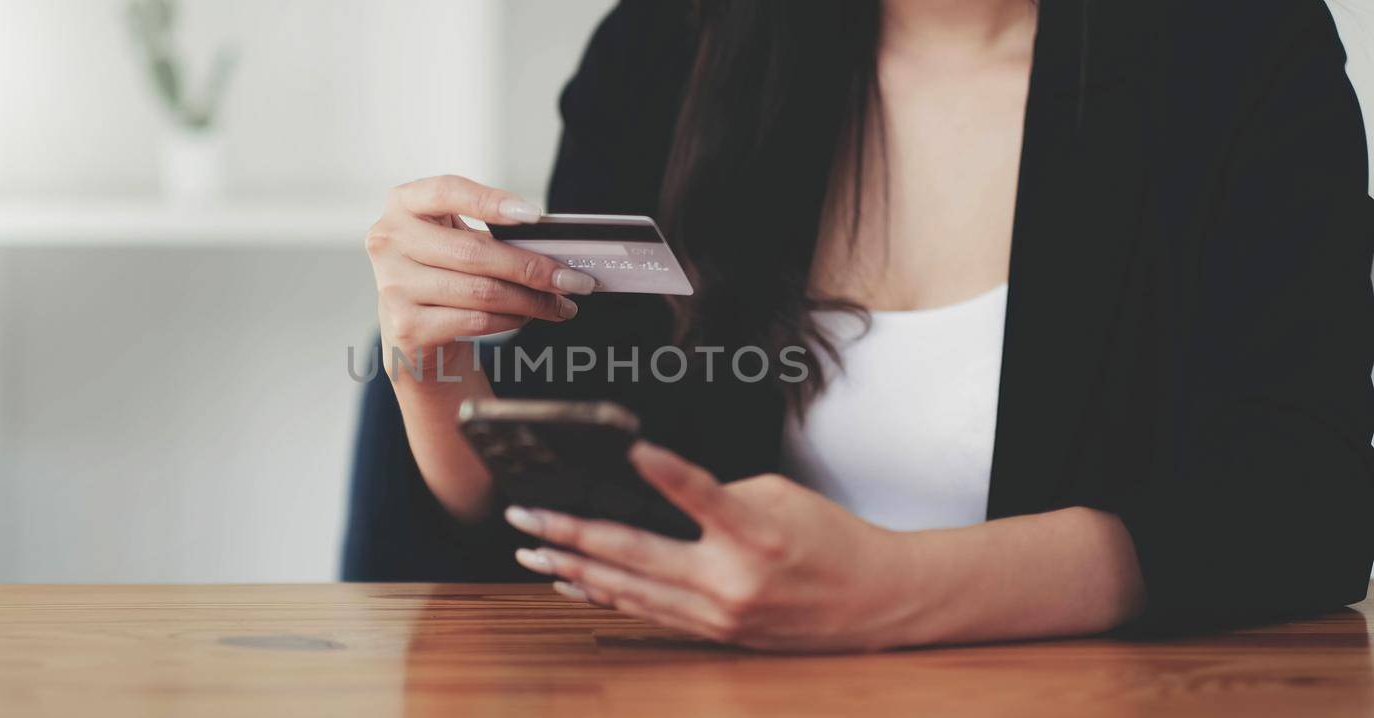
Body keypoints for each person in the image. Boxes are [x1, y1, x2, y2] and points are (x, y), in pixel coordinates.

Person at [349, 0, 1374, 651]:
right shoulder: (666, 46)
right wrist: (433, 373)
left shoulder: (1238, 48)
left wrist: (898, 587)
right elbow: (562, 508)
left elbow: (1304, 506)